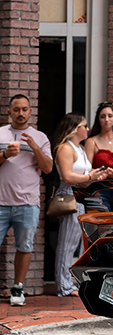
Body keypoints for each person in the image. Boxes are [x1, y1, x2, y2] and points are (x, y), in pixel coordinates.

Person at [0, 94, 53, 305]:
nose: (20, 113)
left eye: (24, 109)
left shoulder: (40, 137)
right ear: (9, 112)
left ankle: (17, 288)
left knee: (25, 246)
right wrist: (5, 155)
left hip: (28, 204)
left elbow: (48, 168)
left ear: (30, 111)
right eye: (16, 109)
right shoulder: (1, 133)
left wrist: (35, 147)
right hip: (1, 202)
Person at [53, 113, 108, 297]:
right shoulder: (65, 148)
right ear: (75, 129)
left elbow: (83, 175)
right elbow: (67, 176)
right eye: (84, 126)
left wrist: (96, 175)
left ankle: (70, 282)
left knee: (77, 242)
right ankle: (63, 286)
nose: (87, 129)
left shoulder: (80, 148)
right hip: (69, 196)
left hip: (80, 196)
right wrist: (89, 176)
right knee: (67, 243)